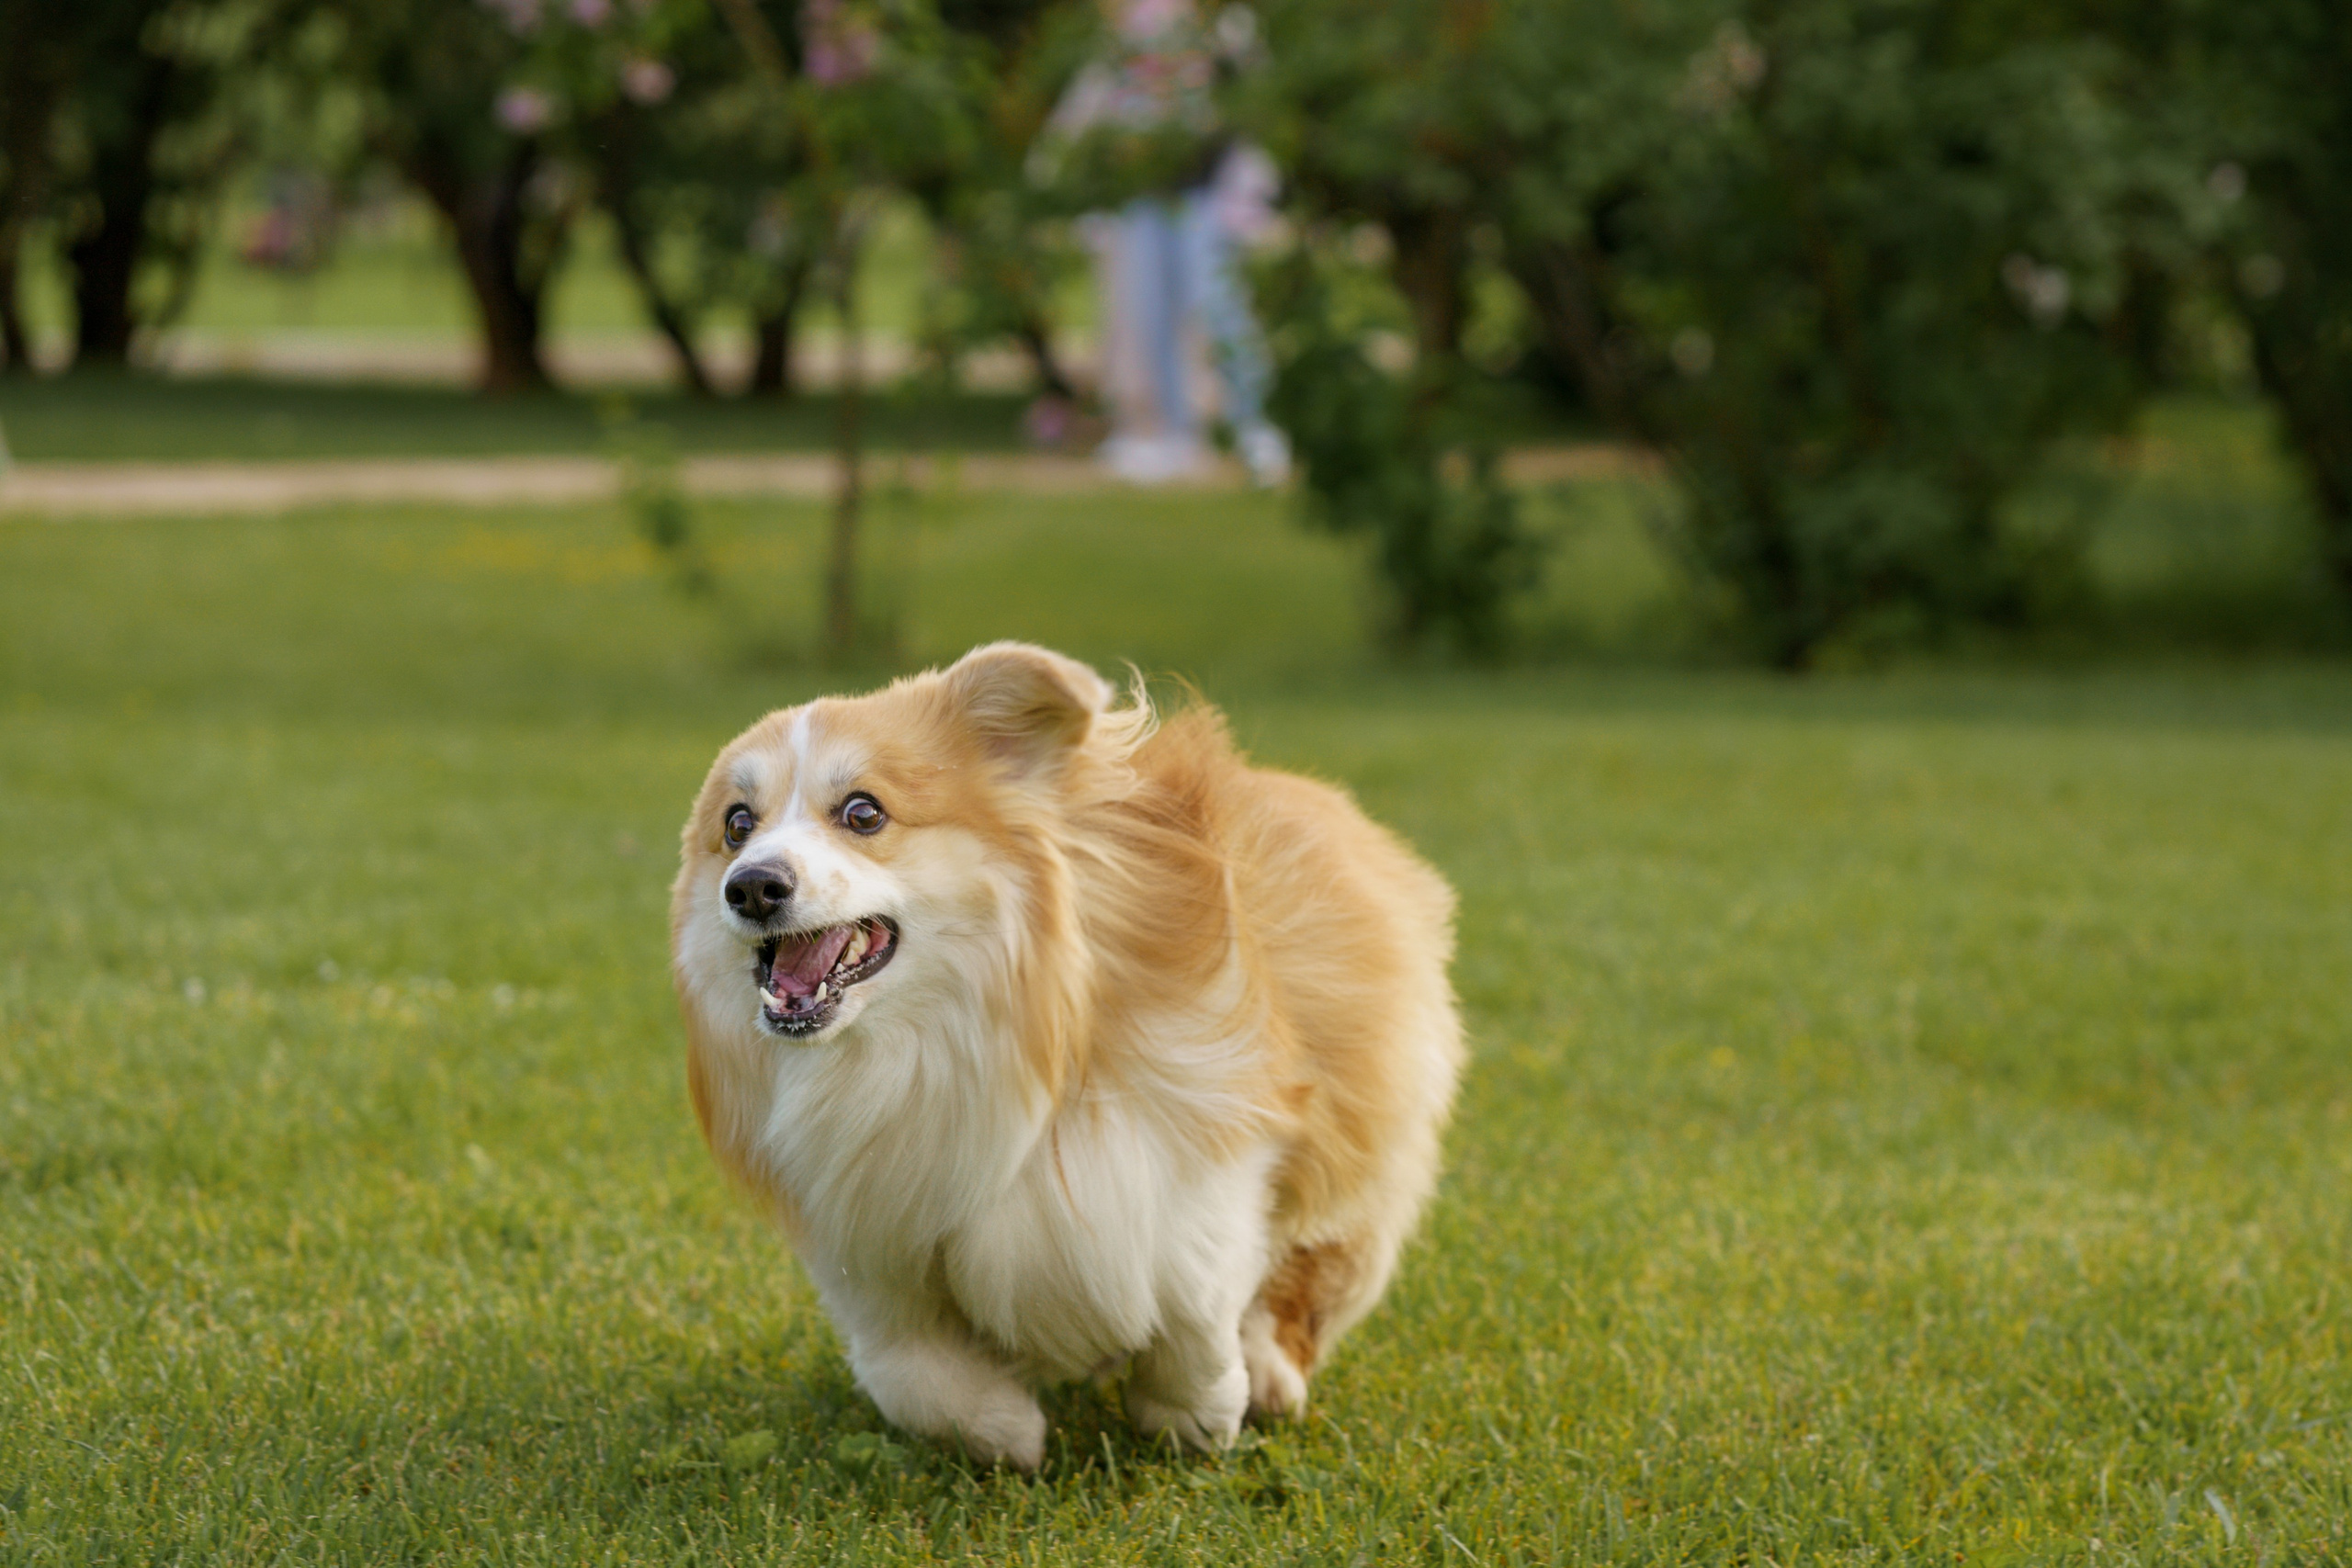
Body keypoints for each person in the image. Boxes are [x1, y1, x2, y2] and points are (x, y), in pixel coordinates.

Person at [1036, 1, 1292, 486]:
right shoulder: (1122, 31)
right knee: (1149, 315)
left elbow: (1254, 96)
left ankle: (1254, 426)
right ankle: (1176, 435)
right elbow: (1088, 104)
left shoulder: (1223, 26)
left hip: (1202, 191)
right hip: (1141, 195)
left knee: (1217, 306)